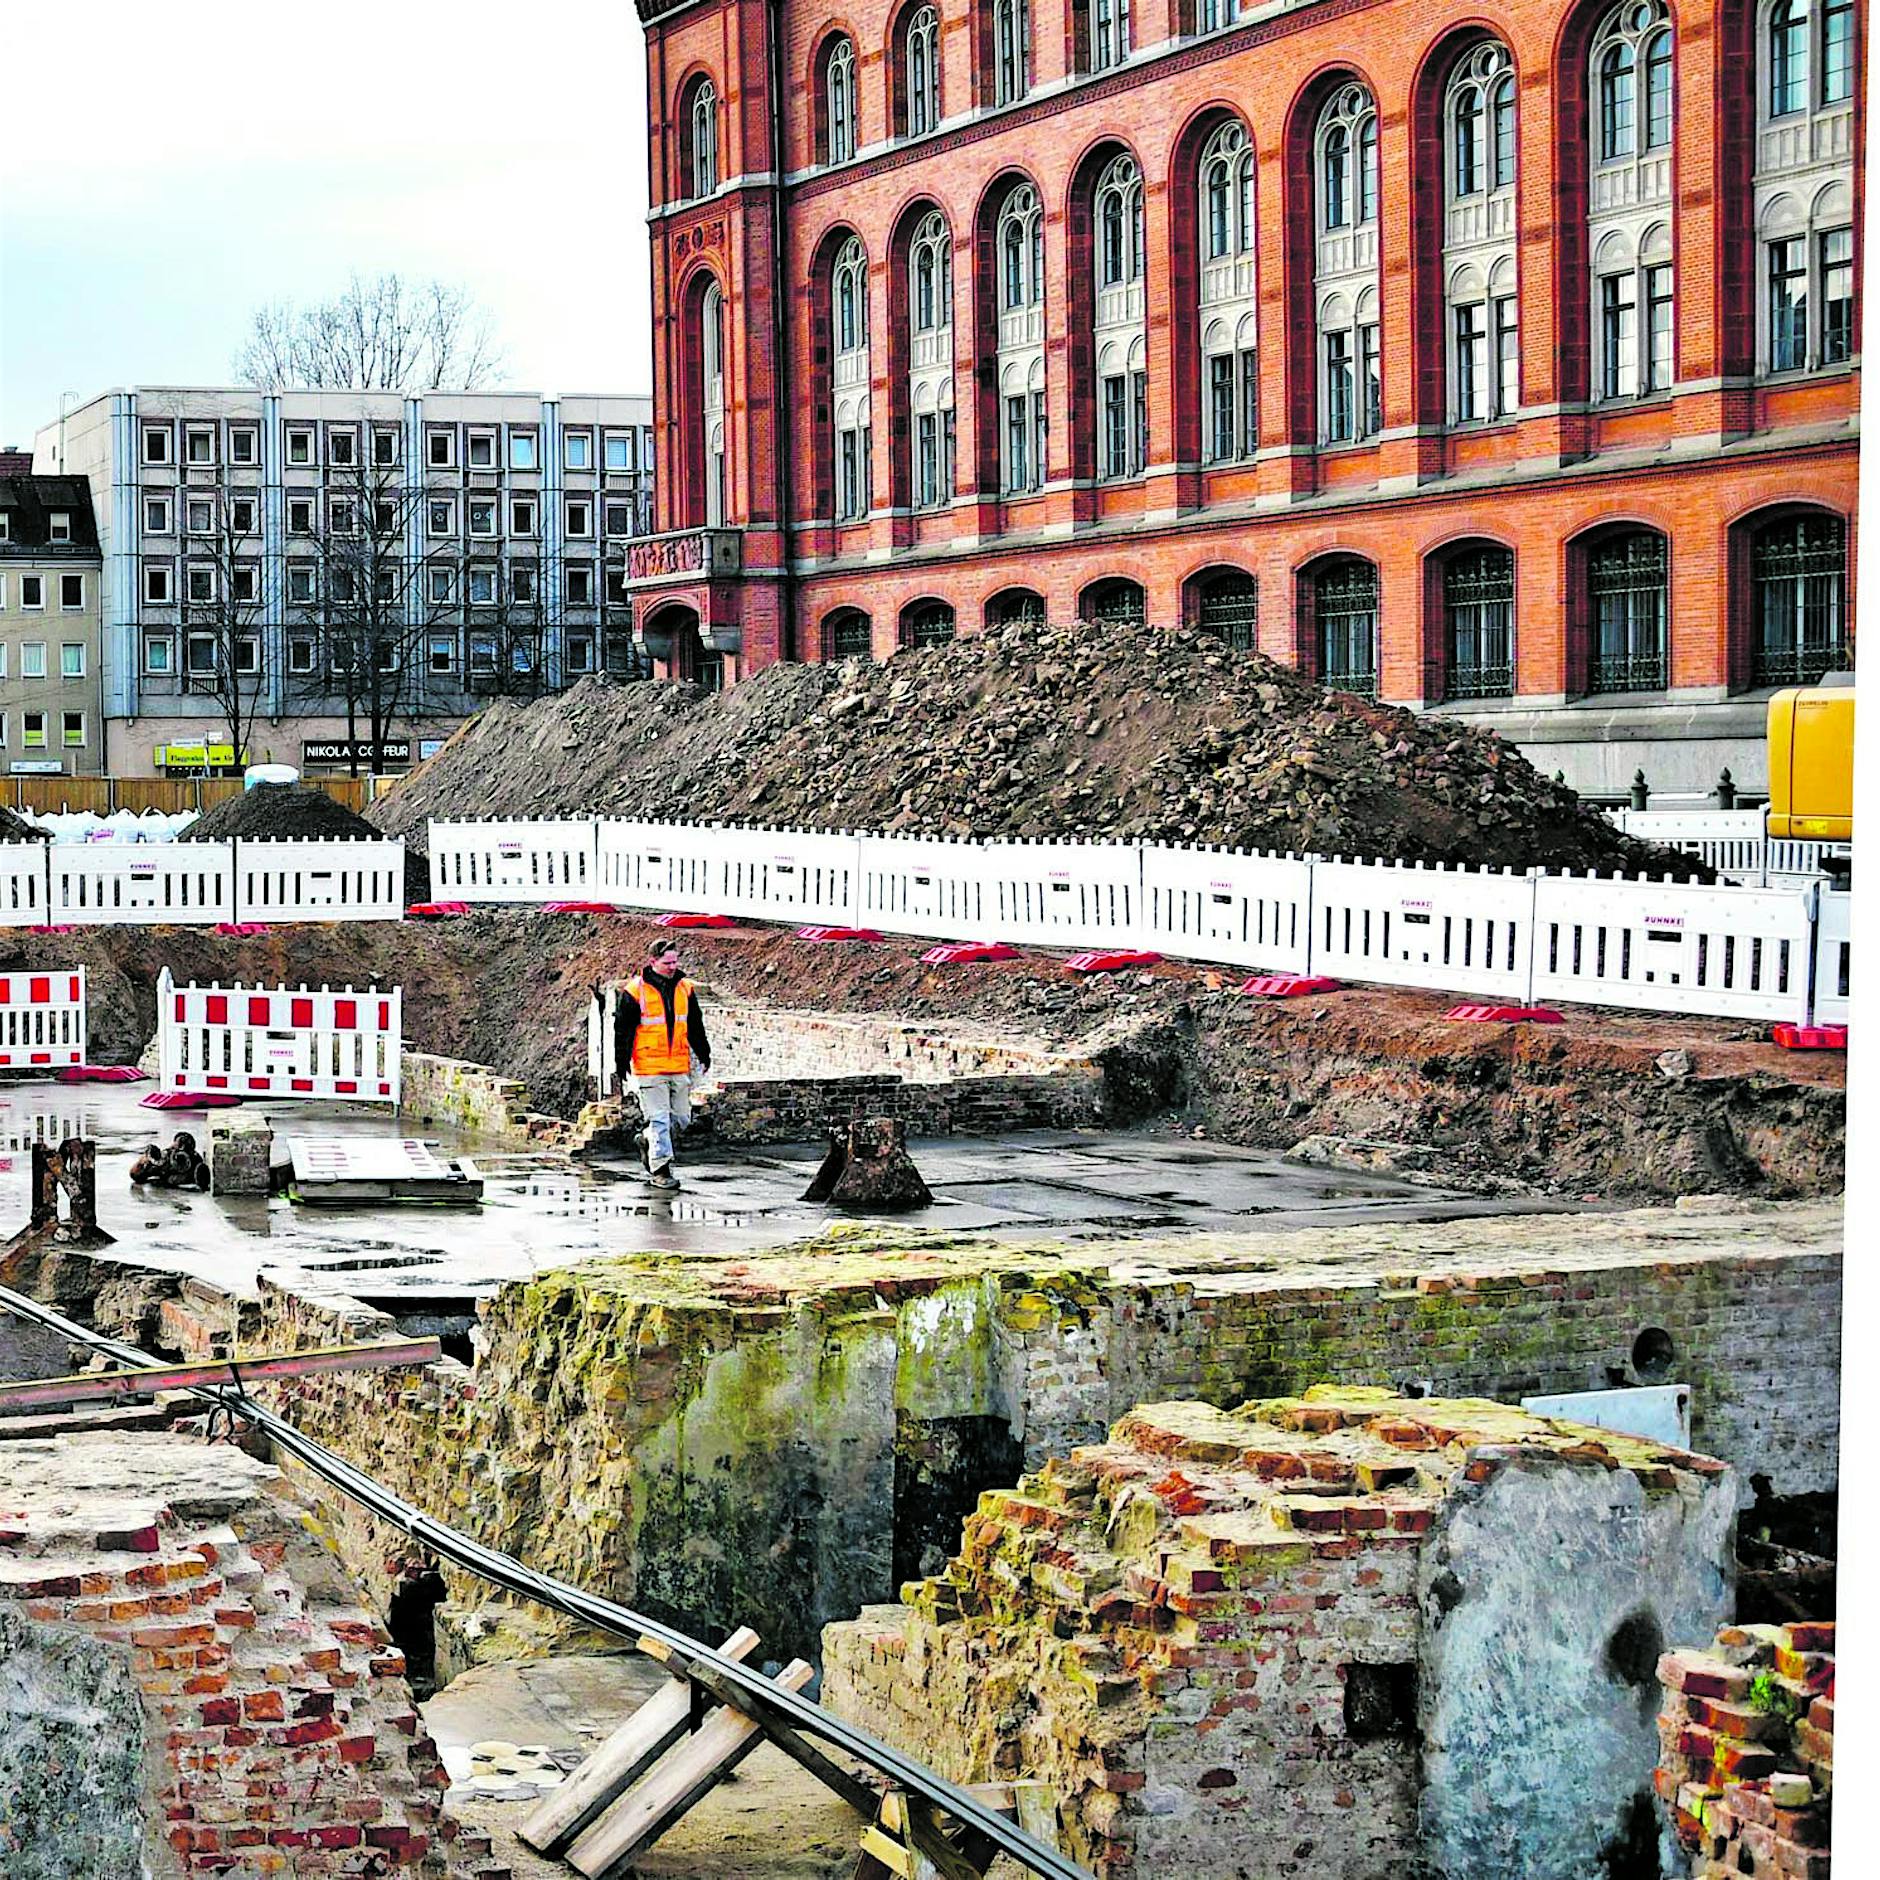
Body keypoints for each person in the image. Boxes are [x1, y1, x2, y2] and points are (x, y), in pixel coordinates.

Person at [612, 941, 712, 1191]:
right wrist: (621, 1062)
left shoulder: (685, 988)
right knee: (659, 1120)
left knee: (681, 1119)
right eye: (667, 962)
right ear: (653, 961)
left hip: (678, 1064)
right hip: (649, 1067)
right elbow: (622, 1030)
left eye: (675, 961)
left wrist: (703, 1053)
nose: (672, 967)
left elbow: (694, 1024)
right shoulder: (635, 991)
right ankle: (660, 1170)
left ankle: (647, 1141)